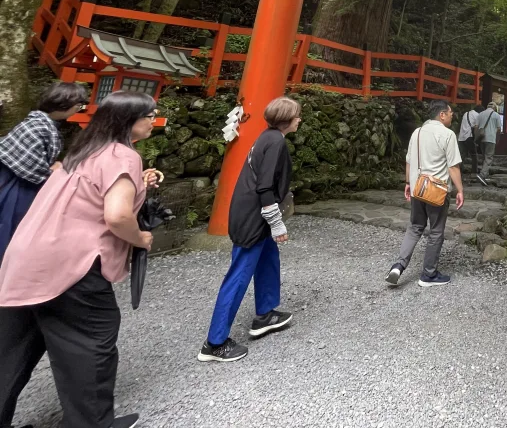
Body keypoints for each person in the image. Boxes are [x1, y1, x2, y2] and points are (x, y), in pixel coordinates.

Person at [0, 91, 162, 428]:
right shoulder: (123, 155)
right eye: (150, 113)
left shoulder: (84, 150)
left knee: (12, 349)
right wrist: (141, 238)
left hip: (25, 258)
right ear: (128, 119)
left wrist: (141, 183)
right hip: (71, 264)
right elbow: (117, 215)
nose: (154, 119)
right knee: (91, 340)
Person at [199, 96, 301, 364]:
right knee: (239, 273)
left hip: (252, 211)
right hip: (255, 215)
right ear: (287, 120)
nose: (299, 120)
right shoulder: (276, 141)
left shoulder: (267, 136)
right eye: (297, 116)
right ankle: (215, 342)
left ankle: (265, 314)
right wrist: (276, 222)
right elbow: (265, 186)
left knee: (269, 260)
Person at [0, 82, 88, 261]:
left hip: (13, 179)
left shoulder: (38, 121)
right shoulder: (39, 126)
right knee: (11, 227)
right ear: (65, 104)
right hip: (18, 184)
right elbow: (30, 166)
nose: (78, 109)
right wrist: (52, 171)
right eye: (78, 106)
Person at [386, 100, 464, 287]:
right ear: (442, 115)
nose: (452, 115)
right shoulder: (448, 134)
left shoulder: (417, 132)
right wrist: (460, 190)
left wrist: (407, 182)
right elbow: (453, 166)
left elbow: (409, 161)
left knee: (414, 227)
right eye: (450, 112)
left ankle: (398, 265)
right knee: (436, 231)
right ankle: (428, 275)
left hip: (417, 188)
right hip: (437, 192)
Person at [474, 101, 502, 186]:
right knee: (488, 157)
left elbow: (476, 127)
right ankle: (482, 175)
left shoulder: (480, 114)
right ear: (494, 108)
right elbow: (498, 128)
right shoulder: (496, 115)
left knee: (484, 157)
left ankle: (485, 174)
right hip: (491, 138)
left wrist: (476, 138)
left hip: (482, 138)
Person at [457, 104, 481, 179]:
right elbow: (477, 127)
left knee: (461, 156)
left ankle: (458, 172)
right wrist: (476, 139)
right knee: (474, 155)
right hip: (469, 136)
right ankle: (474, 172)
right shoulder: (477, 115)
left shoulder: (466, 113)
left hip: (461, 137)